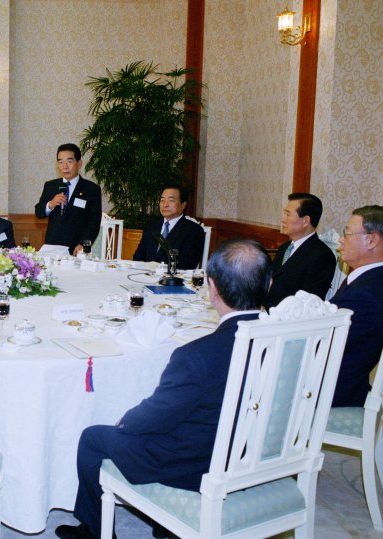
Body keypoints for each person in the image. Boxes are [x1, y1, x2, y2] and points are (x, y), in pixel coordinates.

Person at [56, 238, 271, 539]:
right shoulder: (290, 341)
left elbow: (157, 417)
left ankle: (95, 531)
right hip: (256, 453)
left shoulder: (197, 355)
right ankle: (164, 526)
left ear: (212, 289)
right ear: (269, 284)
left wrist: (126, 420)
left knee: (93, 438)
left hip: (198, 465)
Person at [330, 205, 383, 407]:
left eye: (347, 233)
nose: (341, 240)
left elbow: (324, 345)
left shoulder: (364, 294)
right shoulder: (371, 281)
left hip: (334, 395)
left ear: (372, 240)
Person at [264, 193, 336, 309]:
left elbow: (309, 302)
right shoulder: (284, 248)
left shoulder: (322, 256)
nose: (283, 220)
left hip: (290, 316)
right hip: (268, 312)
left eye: (288, 214)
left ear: (305, 221)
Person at [34, 143, 102, 255]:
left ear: (79, 163)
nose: (64, 166)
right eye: (60, 162)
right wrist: (50, 204)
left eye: (69, 161)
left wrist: (83, 244)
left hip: (76, 249)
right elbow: (39, 212)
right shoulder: (50, 186)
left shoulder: (91, 189)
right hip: (52, 247)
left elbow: (94, 222)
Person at [132, 182, 205, 270]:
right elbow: (138, 257)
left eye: (171, 200)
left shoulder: (194, 231)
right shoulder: (151, 226)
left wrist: (159, 268)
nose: (165, 205)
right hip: (144, 275)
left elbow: (187, 265)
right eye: (162, 200)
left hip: (172, 277)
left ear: (183, 205)